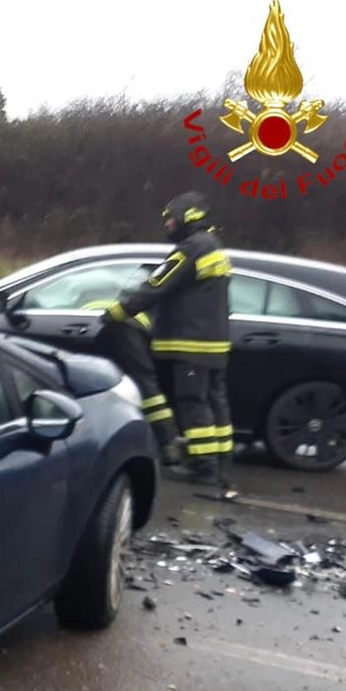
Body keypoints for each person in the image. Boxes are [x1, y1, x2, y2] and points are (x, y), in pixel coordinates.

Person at [101, 191, 233, 486]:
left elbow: (155, 286)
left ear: (187, 217)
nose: (168, 225)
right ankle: (222, 463)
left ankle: (203, 468)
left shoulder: (191, 249)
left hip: (192, 344)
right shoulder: (214, 247)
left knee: (192, 403)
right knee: (215, 402)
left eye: (172, 219)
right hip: (215, 344)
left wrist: (118, 311)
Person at [79, 297, 184, 469]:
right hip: (129, 329)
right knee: (145, 384)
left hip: (121, 327)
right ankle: (167, 443)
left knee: (138, 384)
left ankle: (166, 442)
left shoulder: (126, 290)